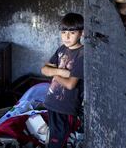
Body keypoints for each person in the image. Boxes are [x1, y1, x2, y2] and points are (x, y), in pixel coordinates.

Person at [41, 13, 84, 148]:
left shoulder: (82, 54)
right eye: (64, 32)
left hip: (66, 107)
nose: (66, 36)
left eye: (72, 32)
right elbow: (44, 69)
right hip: (52, 103)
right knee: (54, 138)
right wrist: (60, 72)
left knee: (61, 141)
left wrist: (55, 76)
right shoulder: (62, 49)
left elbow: (70, 84)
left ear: (82, 33)